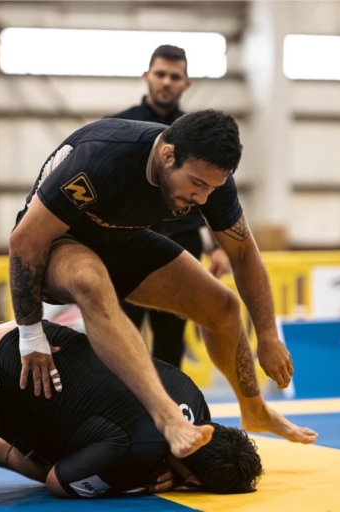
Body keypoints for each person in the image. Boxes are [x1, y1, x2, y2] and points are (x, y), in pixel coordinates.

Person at [9, 109, 319, 459]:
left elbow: (243, 252)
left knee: (222, 307)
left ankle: (256, 410)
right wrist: (30, 335)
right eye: (197, 185)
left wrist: (267, 334)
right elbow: (24, 242)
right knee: (89, 279)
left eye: (211, 189)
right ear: (167, 154)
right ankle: (168, 417)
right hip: (58, 243)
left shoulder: (211, 177)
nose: (202, 199)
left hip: (120, 239)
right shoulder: (100, 157)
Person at [0, 320, 264, 507]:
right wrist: (133, 481)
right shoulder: (139, 449)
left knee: (90, 441)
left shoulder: (195, 401)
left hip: (22, 359)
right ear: (193, 481)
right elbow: (57, 482)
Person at [109, 44, 229, 367]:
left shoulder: (199, 135)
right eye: (160, 74)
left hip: (183, 249)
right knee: (120, 342)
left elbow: (213, 191)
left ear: (186, 83)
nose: (166, 82)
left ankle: (174, 414)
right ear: (146, 76)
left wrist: (218, 247)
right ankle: (120, 415)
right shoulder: (121, 127)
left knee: (170, 347)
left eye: (175, 76)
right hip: (126, 248)